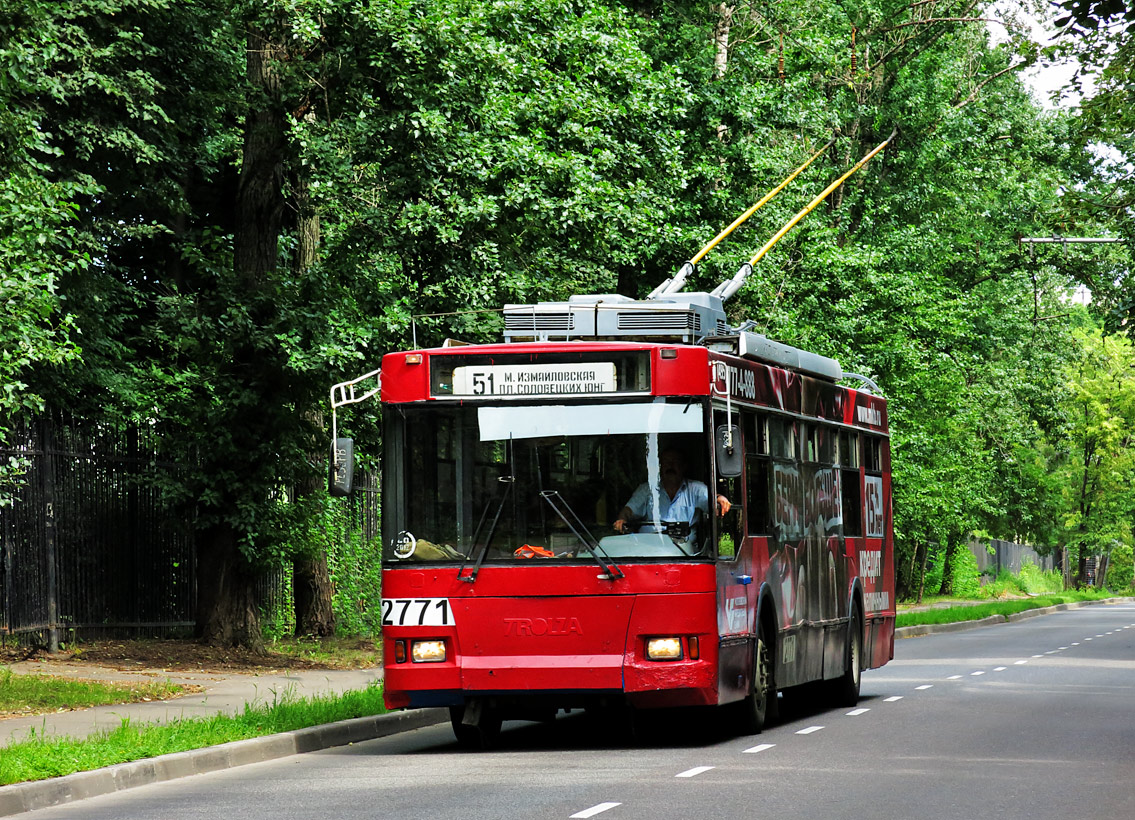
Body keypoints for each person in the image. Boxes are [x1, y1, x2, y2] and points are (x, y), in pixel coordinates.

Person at [613, 447, 731, 538]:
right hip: (649, 550)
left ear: (684, 467)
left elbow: (711, 500)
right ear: (661, 466)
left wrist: (719, 499)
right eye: (666, 462)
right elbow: (628, 510)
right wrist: (622, 520)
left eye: (676, 462)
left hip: (684, 553)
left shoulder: (695, 489)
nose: (670, 466)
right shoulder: (647, 489)